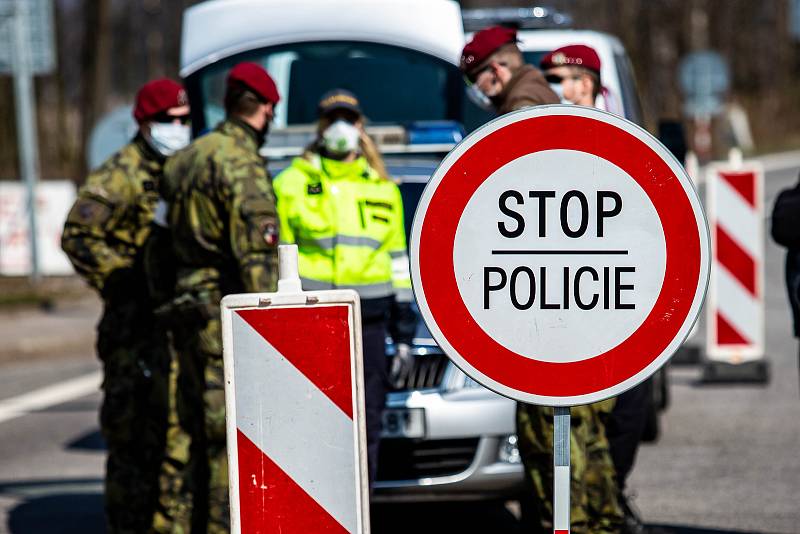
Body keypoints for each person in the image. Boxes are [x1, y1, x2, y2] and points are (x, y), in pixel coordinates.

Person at [461, 29, 623, 533]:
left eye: (479, 79)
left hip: (552, 309)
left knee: (551, 429)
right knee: (578, 428)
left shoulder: (523, 106)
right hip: (573, 304)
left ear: (498, 71)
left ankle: (576, 522)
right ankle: (598, 519)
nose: (481, 90)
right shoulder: (535, 99)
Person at [61, 78, 190, 533]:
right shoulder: (122, 173)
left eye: (183, 119)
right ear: (144, 123)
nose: (178, 127)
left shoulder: (179, 169)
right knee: (132, 444)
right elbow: (78, 235)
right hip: (132, 330)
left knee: (174, 442)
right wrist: (127, 281)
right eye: (167, 121)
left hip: (171, 328)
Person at [272, 89, 416, 489]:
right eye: (332, 118)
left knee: (365, 426)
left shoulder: (383, 189)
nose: (341, 127)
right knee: (312, 424)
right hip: (310, 319)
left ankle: (360, 510)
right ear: (321, 127)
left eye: (348, 119)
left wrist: (403, 335)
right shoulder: (291, 183)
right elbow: (277, 256)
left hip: (368, 324)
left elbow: (398, 264)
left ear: (360, 126)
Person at [164, 61, 280, 533]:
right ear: (265, 109)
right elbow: (256, 260)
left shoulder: (185, 157)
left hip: (186, 309)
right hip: (224, 317)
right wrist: (274, 336)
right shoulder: (240, 162)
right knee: (225, 441)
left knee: (189, 431)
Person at [542, 44, 653, 534]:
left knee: (628, 414)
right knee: (578, 421)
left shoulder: (623, 134)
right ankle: (588, 512)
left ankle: (611, 498)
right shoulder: (540, 135)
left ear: (587, 81)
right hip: (566, 300)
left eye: (565, 78)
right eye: (552, 79)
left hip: (621, 296)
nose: (559, 89)